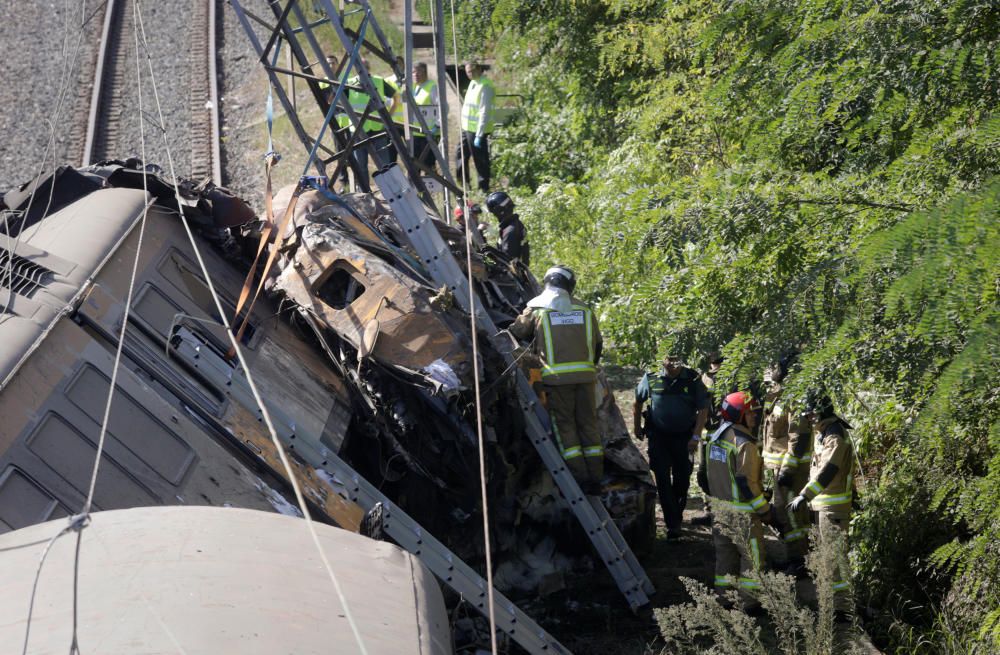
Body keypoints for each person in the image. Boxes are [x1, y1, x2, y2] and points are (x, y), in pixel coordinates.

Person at [509, 266, 604, 493]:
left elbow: (517, 332)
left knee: (566, 427)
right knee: (589, 425)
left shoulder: (538, 308)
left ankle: (581, 479)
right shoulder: (585, 310)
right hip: (586, 378)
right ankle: (596, 477)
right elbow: (598, 344)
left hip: (557, 379)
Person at [698, 391, 776, 608]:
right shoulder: (744, 444)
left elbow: (702, 476)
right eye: (749, 413)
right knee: (753, 557)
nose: (754, 417)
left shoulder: (713, 438)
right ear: (738, 414)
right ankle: (749, 604)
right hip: (743, 514)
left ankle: (725, 599)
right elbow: (746, 482)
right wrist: (764, 510)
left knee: (725, 558)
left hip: (719, 510)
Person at [788, 392, 856, 623]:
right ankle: (832, 606)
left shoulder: (834, 435)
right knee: (828, 559)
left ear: (823, 412)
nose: (809, 418)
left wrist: (804, 495)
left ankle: (842, 610)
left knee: (835, 560)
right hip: (825, 506)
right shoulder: (825, 432)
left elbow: (828, 471)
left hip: (833, 507)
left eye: (812, 413)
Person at [634, 352, 708, 539]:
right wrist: (637, 428)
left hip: (685, 439)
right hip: (659, 437)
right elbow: (638, 402)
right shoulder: (651, 377)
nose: (673, 364)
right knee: (662, 480)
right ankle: (672, 524)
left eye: (677, 360)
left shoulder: (692, 378)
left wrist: (696, 436)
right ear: (662, 360)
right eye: (669, 360)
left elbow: (703, 408)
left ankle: (676, 515)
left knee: (682, 480)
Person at [761, 357, 812, 574]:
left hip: (790, 470)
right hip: (778, 468)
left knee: (793, 515)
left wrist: (788, 470)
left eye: (774, 366)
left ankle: (801, 563)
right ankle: (794, 558)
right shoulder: (779, 396)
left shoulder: (795, 398)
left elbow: (797, 438)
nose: (770, 370)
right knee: (784, 514)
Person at [344, 59, 398, 189]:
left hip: (377, 129)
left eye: (364, 66)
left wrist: (388, 116)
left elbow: (396, 97)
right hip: (357, 130)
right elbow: (338, 101)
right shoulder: (349, 83)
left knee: (384, 164)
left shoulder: (378, 80)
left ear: (368, 68)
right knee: (360, 165)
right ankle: (365, 193)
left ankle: (389, 191)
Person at [456, 62, 495, 193]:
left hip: (477, 130)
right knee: (460, 155)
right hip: (466, 127)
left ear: (479, 69)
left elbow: (484, 111)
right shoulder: (473, 83)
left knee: (480, 160)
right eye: (467, 71)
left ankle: (483, 188)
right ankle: (464, 183)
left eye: (472, 71)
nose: (469, 74)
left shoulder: (485, 86)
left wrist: (479, 134)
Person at [410, 62, 440, 171]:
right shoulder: (412, 87)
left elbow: (441, 107)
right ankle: (417, 187)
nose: (415, 75)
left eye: (418, 72)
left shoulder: (432, 87)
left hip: (428, 132)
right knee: (414, 164)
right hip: (415, 132)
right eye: (413, 72)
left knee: (429, 165)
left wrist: (437, 125)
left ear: (425, 72)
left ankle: (433, 186)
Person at [485, 191, 528, 264]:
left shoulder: (509, 232)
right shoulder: (516, 223)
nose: (495, 216)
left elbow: (507, 262)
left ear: (499, 211)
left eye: (494, 213)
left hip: (514, 274)